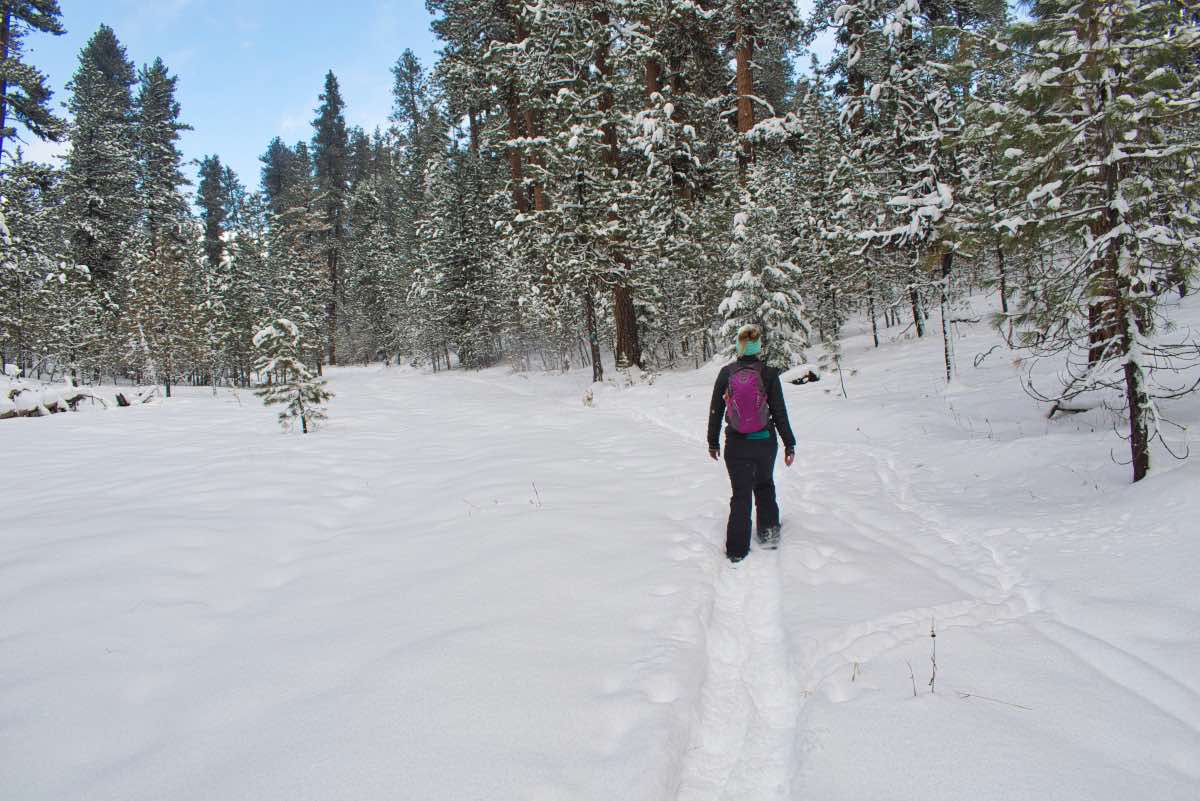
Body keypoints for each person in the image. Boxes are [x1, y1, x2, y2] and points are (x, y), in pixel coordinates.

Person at [706, 324, 796, 563]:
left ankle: (736, 550)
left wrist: (712, 442)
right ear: (758, 348)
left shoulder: (727, 373)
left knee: (740, 494)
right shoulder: (768, 373)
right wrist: (789, 444)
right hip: (765, 442)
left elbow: (715, 411)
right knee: (765, 485)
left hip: (736, 445)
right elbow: (779, 412)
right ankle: (769, 536)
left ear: (739, 346)